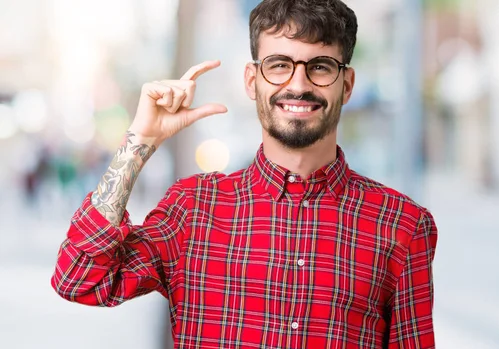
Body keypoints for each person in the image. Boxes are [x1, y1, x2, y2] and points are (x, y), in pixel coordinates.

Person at [51, 0, 438, 347]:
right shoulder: (192, 209)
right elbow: (79, 280)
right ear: (253, 81)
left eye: (320, 67)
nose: (298, 85)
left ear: (346, 84)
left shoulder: (402, 224)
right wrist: (140, 142)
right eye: (280, 65)